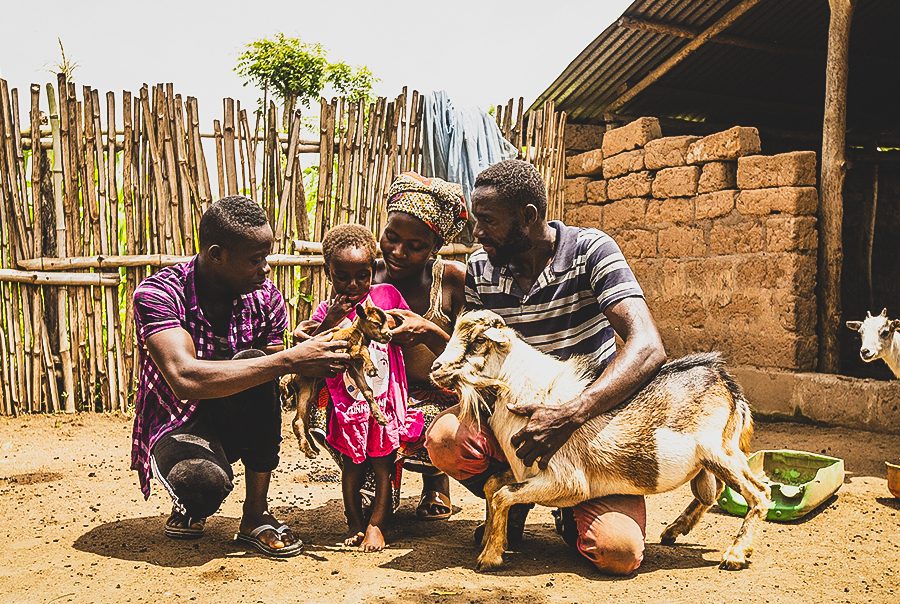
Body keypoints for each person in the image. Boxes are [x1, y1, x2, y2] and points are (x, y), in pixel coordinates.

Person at [425, 160, 667, 575]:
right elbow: (478, 356)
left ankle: (569, 506)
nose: (477, 233)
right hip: (515, 425)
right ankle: (511, 500)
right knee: (446, 439)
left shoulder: (591, 251)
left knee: (619, 552)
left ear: (529, 217)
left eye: (488, 221)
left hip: (590, 433)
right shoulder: (481, 269)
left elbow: (648, 347)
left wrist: (569, 414)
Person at [131, 195, 350, 558]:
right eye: (255, 259)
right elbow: (183, 378)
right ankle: (191, 502)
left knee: (255, 361)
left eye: (266, 256)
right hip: (177, 422)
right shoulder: (159, 293)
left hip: (236, 419)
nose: (265, 268)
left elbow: (263, 385)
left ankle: (255, 514)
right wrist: (288, 360)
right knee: (201, 485)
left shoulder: (266, 300)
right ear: (217, 254)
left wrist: (293, 361)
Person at [296, 172, 469, 520]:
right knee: (325, 396)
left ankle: (435, 479)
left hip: (436, 395)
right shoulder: (360, 273)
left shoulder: (451, 279)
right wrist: (317, 331)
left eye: (416, 246)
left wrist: (427, 332)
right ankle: (369, 477)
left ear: (435, 247)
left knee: (444, 420)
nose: (398, 251)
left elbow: (471, 358)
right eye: (391, 237)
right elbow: (338, 333)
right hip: (376, 393)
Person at [303, 224, 424, 551]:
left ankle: (376, 524)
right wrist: (330, 321)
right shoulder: (325, 313)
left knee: (384, 465)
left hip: (384, 401)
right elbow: (313, 349)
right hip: (348, 406)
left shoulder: (386, 297)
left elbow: (406, 330)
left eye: (362, 275)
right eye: (343, 276)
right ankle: (354, 522)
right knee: (353, 466)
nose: (353, 284)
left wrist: (388, 332)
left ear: (374, 270)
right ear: (329, 274)